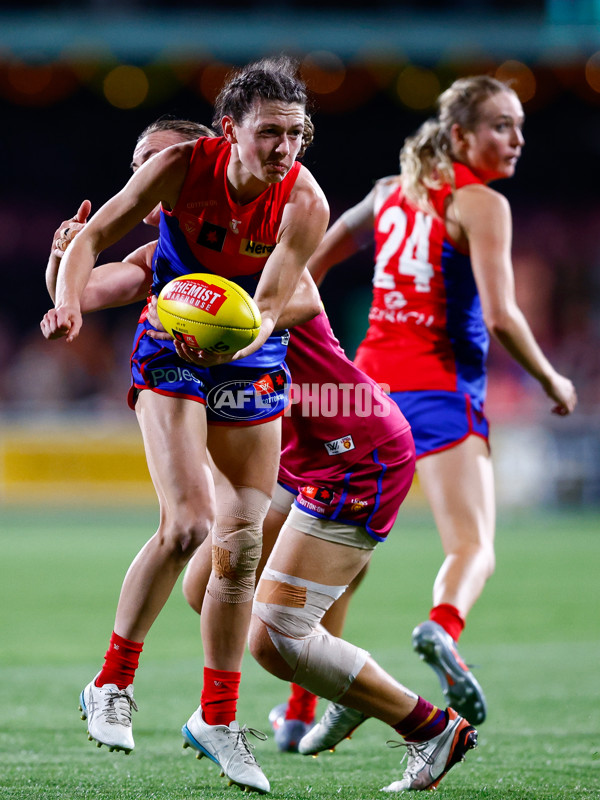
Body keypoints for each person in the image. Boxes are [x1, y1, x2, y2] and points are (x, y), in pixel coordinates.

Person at [45, 116, 480, 793]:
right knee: (203, 582)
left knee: (274, 637)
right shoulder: (170, 262)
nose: (144, 181)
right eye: (137, 168)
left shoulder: (267, 255)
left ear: (202, 166)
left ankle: (414, 720)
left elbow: (285, 298)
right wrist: (63, 269)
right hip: (294, 462)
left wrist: (222, 333)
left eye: (156, 164)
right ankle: (314, 682)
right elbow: (97, 287)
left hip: (353, 447)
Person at [42, 56, 330, 795]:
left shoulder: (305, 204)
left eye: (296, 134)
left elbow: (272, 304)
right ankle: (112, 682)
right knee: (189, 526)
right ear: (230, 131)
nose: (285, 149)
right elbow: (95, 236)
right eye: (270, 133)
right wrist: (69, 302)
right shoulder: (178, 167)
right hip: (171, 347)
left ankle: (218, 719)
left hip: (244, 354)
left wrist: (237, 333)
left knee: (240, 544)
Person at [294, 74, 577, 748]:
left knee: (347, 559)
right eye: (501, 126)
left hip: (364, 392)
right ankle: (443, 627)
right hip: (441, 393)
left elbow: (314, 259)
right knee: (473, 546)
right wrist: (550, 378)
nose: (516, 139)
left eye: (519, 126)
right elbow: (504, 315)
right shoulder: (481, 204)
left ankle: (308, 702)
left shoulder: (388, 194)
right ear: (459, 136)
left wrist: (303, 340)